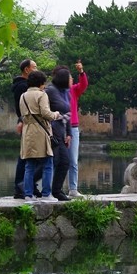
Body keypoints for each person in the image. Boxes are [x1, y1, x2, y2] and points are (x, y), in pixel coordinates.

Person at [19, 70, 61, 199]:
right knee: (48, 163)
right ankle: (46, 194)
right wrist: (56, 114)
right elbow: (46, 113)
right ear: (41, 83)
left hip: (28, 131)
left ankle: (28, 194)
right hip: (41, 131)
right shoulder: (42, 95)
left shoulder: (23, 96)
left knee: (29, 165)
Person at [11, 58, 38, 198]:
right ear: (27, 70)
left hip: (30, 123)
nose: (37, 69)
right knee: (25, 156)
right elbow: (22, 108)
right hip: (28, 123)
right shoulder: (22, 87)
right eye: (34, 67)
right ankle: (21, 186)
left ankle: (28, 185)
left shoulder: (26, 85)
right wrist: (21, 120)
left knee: (31, 156)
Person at [46, 67, 73, 201]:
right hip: (51, 132)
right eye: (69, 78)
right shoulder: (50, 91)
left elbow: (68, 113)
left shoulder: (66, 93)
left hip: (61, 133)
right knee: (52, 161)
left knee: (64, 161)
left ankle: (57, 191)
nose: (71, 80)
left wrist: (69, 133)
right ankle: (29, 185)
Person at [67, 60, 88, 197]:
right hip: (60, 128)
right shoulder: (55, 92)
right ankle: (50, 189)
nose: (72, 79)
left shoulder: (73, 90)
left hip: (73, 128)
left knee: (73, 160)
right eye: (70, 78)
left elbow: (84, 85)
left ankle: (73, 189)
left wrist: (81, 72)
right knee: (57, 160)